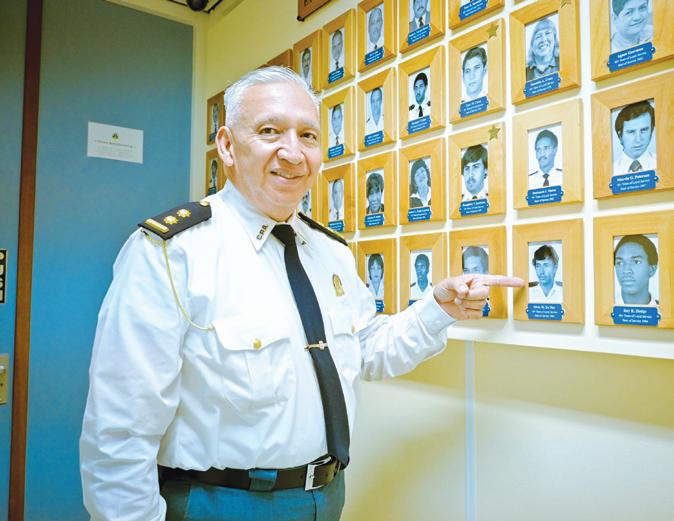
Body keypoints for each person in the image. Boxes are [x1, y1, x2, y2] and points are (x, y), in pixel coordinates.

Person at [80, 66, 523, 521]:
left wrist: (437, 309)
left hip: (325, 498)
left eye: (308, 136)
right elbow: (120, 431)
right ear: (228, 145)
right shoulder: (172, 253)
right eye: (270, 131)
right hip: (221, 503)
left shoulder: (331, 253)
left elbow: (366, 350)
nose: (292, 153)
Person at [612, 100, 656, 176]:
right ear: (620, 136)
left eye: (644, 130)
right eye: (631, 132)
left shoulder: (665, 164)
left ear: (651, 131)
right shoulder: (610, 171)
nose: (638, 139)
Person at [614, 234, 658, 306]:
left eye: (636, 262)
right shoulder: (603, 309)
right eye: (620, 263)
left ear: (652, 269)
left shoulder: (666, 310)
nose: (626, 270)